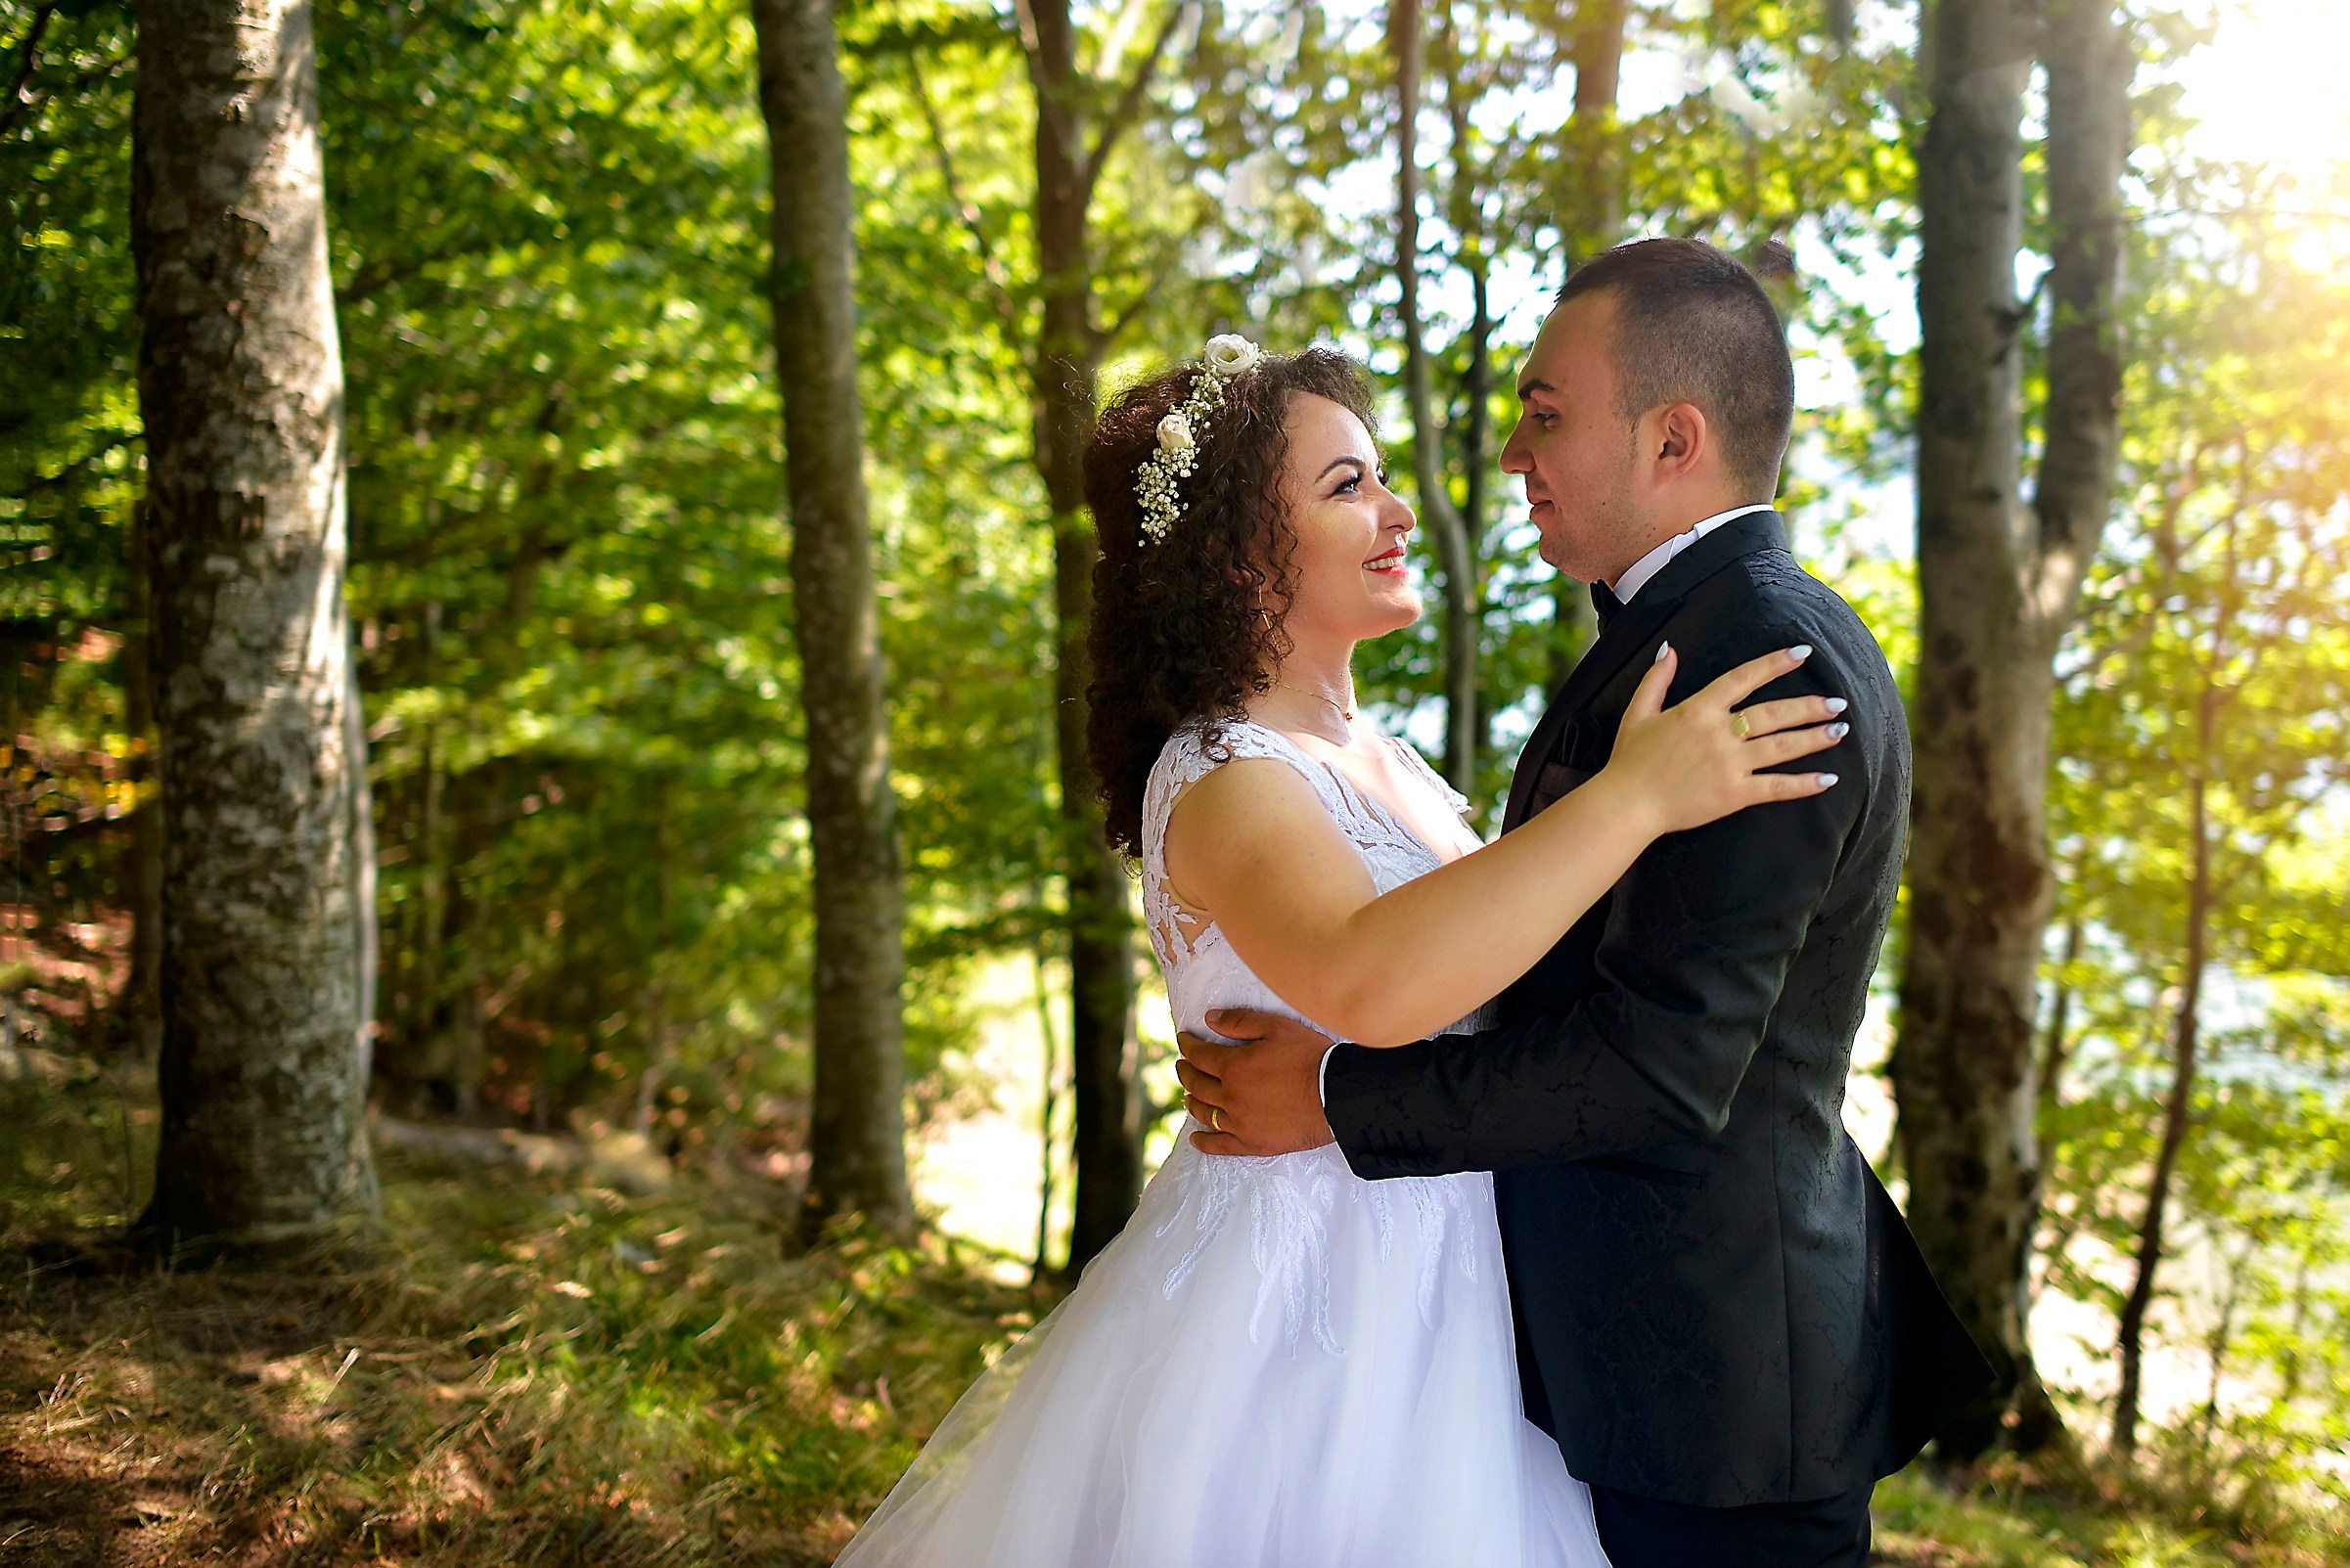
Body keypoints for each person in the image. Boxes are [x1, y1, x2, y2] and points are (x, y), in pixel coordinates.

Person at [831, 320, 1851, 1567]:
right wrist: (1636, 796)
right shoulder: (1221, 772)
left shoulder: (1388, 763)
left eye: (1379, 475)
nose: (1396, 511)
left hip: (1449, 1293)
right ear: (1235, 554)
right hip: (1304, 1315)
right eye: (1345, 485)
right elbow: (1372, 978)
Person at [1177, 238, 1992, 1568]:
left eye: (1544, 413)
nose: (1511, 452)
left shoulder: (1758, 657)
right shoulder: (1676, 633)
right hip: (1609, 1361)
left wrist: (1334, 1099)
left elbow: (1663, 1062)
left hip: (1711, 1388)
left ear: (1671, 439)